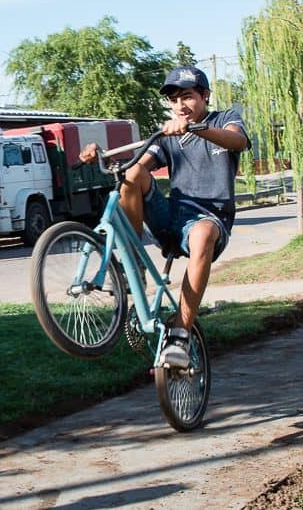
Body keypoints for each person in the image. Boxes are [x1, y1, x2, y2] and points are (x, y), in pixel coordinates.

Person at [79, 66, 250, 369]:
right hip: (172, 216)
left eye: (187, 97)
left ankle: (182, 331)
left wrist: (195, 129)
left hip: (210, 218)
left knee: (202, 234)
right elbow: (137, 165)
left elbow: (237, 141)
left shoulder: (223, 120)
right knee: (131, 174)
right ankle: (134, 266)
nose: (180, 106)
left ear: (205, 96)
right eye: (173, 100)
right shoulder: (168, 136)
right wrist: (102, 157)